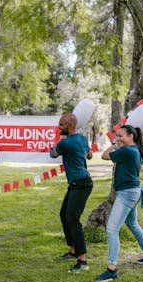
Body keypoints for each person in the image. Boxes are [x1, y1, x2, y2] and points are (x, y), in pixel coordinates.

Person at [95, 125, 143, 282]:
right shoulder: (134, 149)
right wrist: (118, 142)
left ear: (131, 136)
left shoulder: (127, 150)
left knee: (112, 229)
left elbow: (104, 156)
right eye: (116, 135)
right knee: (133, 224)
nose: (117, 137)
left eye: (120, 135)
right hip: (132, 191)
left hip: (127, 194)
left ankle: (111, 269)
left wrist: (115, 144)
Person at [50, 113, 93, 273]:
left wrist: (57, 144)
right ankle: (73, 250)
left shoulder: (65, 143)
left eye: (61, 125)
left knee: (72, 219)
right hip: (79, 183)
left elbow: (53, 154)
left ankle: (82, 261)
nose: (58, 127)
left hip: (81, 184)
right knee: (64, 214)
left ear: (70, 126)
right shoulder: (82, 139)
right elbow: (89, 155)